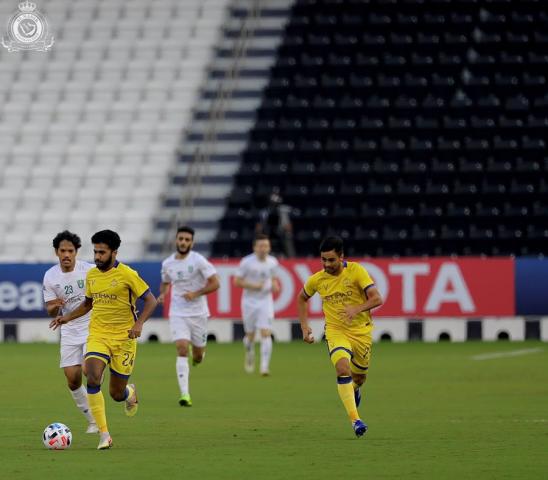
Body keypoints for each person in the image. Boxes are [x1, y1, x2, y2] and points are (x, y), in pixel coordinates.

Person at [50, 230, 158, 450]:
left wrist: (139, 324)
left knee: (116, 394)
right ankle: (104, 434)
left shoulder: (127, 274)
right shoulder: (92, 276)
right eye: (95, 252)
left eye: (102, 252)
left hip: (124, 339)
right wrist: (67, 318)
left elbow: (151, 300)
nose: (97, 257)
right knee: (92, 376)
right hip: (98, 335)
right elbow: (88, 304)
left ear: (114, 252)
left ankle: (130, 393)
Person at [296, 236, 383, 438]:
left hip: (361, 331)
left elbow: (377, 298)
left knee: (359, 378)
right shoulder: (317, 279)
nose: (326, 264)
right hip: (336, 332)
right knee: (342, 368)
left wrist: (357, 308)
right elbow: (302, 298)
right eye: (323, 260)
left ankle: (354, 389)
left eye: (331, 260)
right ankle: (356, 420)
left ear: (341, 257)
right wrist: (304, 326)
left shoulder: (356, 271)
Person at [158, 226, 220, 407]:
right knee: (182, 348)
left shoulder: (199, 261)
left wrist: (197, 293)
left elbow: (216, 283)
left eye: (187, 240)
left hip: (199, 313)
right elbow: (165, 283)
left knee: (198, 356)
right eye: (181, 239)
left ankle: (198, 355)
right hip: (178, 312)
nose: (183, 242)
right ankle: (185, 394)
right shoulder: (167, 263)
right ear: (176, 240)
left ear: (192, 243)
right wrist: (163, 294)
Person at [43, 230, 98, 434]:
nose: (66, 254)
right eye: (62, 251)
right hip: (69, 330)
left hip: (92, 326)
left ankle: (99, 420)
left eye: (70, 251)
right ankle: (92, 420)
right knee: (73, 379)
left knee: (89, 371)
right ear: (56, 252)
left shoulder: (90, 270)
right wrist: (55, 305)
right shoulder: (50, 276)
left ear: (76, 252)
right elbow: (50, 310)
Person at [234, 234, 280, 375]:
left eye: (265, 246)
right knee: (250, 335)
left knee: (266, 332)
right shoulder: (246, 262)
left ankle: (264, 367)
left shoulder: (273, 262)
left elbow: (273, 280)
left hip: (265, 301)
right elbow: (236, 281)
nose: (263, 249)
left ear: (269, 247)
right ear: (254, 247)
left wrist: (274, 286)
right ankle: (249, 352)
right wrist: (253, 285)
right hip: (249, 302)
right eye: (260, 246)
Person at [255, 193, 296, 257]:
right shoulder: (264, 212)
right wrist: (259, 233)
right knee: (260, 239)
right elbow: (259, 226)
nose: (274, 206)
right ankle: (261, 256)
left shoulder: (284, 211)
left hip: (281, 232)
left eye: (275, 203)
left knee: (288, 237)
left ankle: (291, 258)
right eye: (272, 203)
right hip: (267, 232)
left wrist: (287, 231)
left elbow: (288, 227)